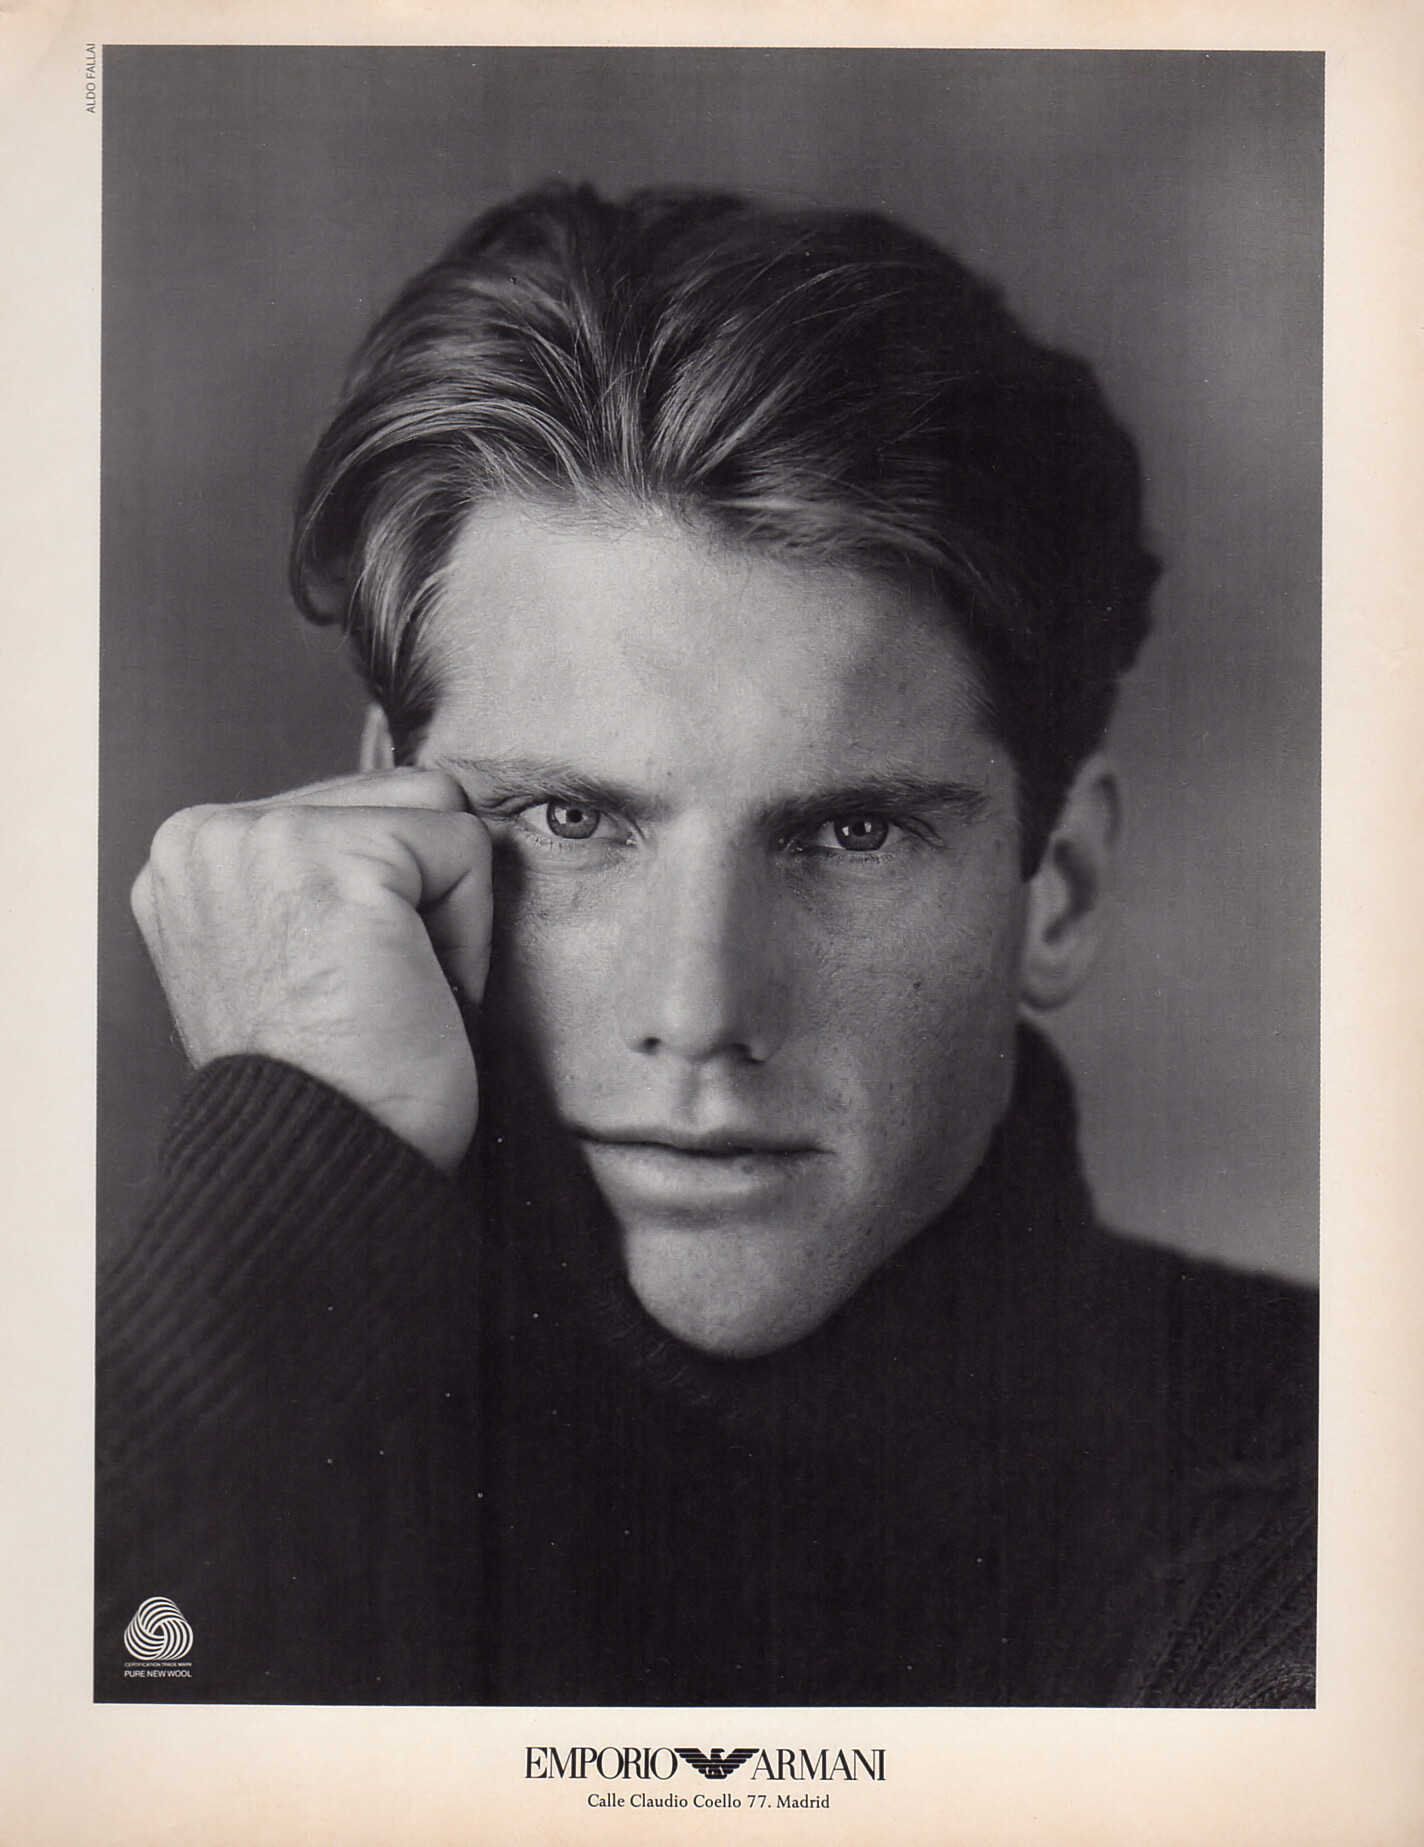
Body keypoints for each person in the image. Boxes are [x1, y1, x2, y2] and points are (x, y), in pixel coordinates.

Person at [95, 184, 1316, 1707]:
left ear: (1054, 890)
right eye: (569, 820)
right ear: (381, 842)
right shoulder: (194, 1395)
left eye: (851, 833)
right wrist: (282, 1186)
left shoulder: (1344, 1513)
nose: (699, 1008)